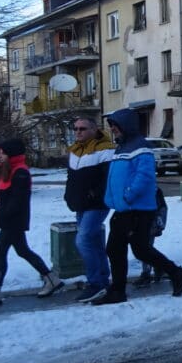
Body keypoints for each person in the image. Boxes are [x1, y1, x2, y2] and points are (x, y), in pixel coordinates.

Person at [90, 108, 182, 305]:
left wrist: (128, 196)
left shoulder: (140, 148)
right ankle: (176, 273)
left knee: (123, 248)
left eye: (115, 126)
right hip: (125, 208)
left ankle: (119, 290)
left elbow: (144, 176)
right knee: (134, 249)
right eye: (111, 126)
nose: (113, 129)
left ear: (125, 126)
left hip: (136, 209)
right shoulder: (122, 147)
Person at [0, 139, 63, 308]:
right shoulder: (10, 170)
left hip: (13, 221)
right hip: (9, 220)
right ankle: (52, 279)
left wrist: (5, 217)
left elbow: (17, 200)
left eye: (2, 152)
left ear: (12, 154)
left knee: (0, 252)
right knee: (23, 251)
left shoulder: (20, 172)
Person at [64, 117, 115, 303]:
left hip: (97, 205)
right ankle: (103, 280)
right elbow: (71, 179)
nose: (78, 131)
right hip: (80, 205)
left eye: (82, 128)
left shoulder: (106, 150)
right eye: (75, 128)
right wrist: (69, 196)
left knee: (83, 240)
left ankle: (96, 283)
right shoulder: (75, 151)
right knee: (93, 243)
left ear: (94, 129)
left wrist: (94, 196)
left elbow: (107, 180)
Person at [134, 189, 167, 288]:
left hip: (150, 217)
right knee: (145, 246)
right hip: (146, 216)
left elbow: (157, 207)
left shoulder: (150, 188)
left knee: (145, 246)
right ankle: (158, 266)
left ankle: (147, 273)